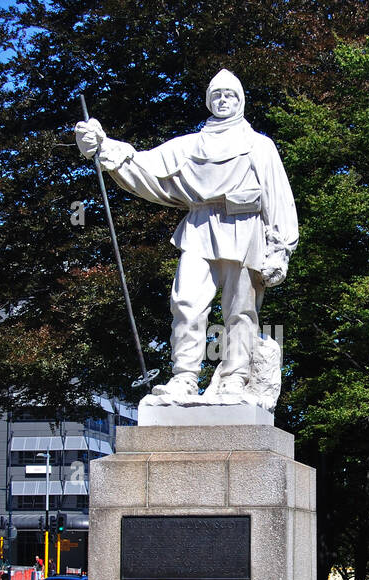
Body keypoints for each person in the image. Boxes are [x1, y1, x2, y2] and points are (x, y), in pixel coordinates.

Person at [75, 69, 299, 405]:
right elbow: (143, 164)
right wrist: (103, 146)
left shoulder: (259, 146)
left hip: (247, 229)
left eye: (230, 95)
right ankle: (184, 376)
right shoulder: (190, 146)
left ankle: (235, 376)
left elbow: (278, 197)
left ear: (240, 100)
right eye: (217, 95)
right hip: (199, 227)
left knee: (240, 309)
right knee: (186, 303)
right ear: (209, 101)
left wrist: (279, 249)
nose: (223, 101)